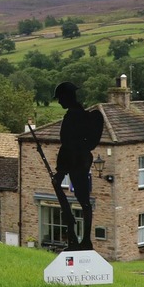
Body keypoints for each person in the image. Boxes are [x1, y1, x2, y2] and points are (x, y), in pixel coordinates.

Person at [53, 81, 104, 251]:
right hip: (75, 159)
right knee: (82, 199)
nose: (59, 102)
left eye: (60, 98)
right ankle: (75, 232)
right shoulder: (78, 113)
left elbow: (67, 143)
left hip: (74, 160)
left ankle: (83, 239)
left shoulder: (74, 115)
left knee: (83, 200)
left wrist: (61, 169)